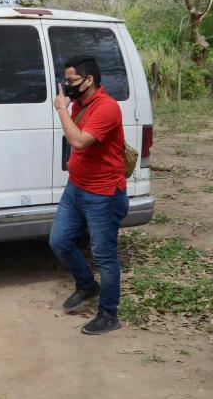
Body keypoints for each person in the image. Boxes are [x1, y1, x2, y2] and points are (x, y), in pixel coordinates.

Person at [49, 55, 129, 335]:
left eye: (71, 81)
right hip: (77, 189)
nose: (67, 86)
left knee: (104, 255)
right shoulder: (80, 105)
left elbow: (79, 141)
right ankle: (87, 286)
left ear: (89, 80)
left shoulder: (107, 108)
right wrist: (69, 107)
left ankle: (109, 313)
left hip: (104, 194)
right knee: (59, 241)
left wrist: (61, 109)